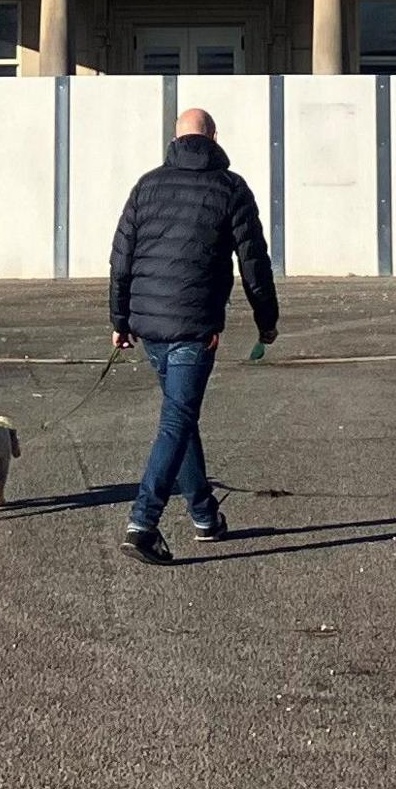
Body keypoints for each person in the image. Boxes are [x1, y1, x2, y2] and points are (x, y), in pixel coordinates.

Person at [106, 106, 279, 565]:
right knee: (176, 420)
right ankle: (143, 524)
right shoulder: (231, 187)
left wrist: (120, 321)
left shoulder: (147, 185)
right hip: (195, 327)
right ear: (214, 137)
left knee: (181, 418)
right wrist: (267, 320)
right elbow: (254, 262)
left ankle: (205, 515)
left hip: (151, 328)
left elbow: (121, 257)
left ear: (175, 139)